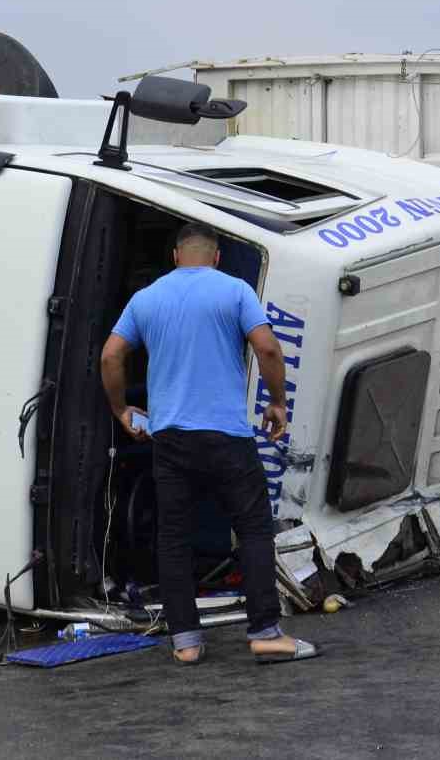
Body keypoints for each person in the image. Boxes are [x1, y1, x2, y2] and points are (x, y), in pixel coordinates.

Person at [101, 222, 318, 666]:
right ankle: (264, 633)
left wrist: (122, 409)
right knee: (255, 529)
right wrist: (277, 402)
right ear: (216, 257)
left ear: (176, 256)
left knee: (174, 538)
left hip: (170, 438)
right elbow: (269, 350)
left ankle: (186, 642)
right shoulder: (234, 290)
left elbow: (110, 355)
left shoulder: (146, 299)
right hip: (226, 436)